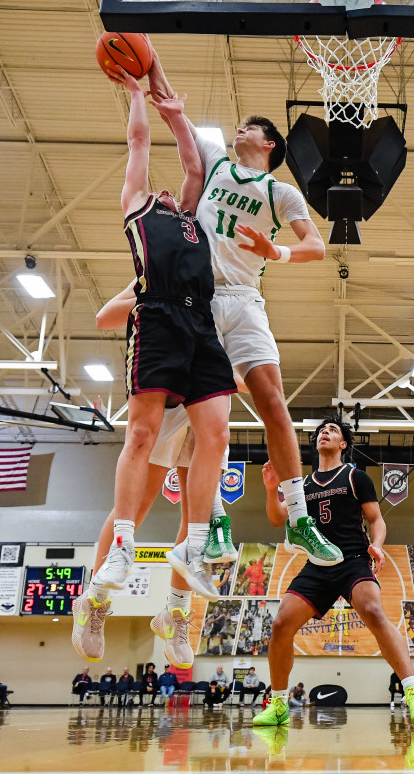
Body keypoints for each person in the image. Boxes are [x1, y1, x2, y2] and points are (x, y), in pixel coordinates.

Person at [147, 52, 342, 570]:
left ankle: (300, 520)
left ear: (269, 143)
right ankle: (214, 522)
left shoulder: (280, 192)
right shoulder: (214, 160)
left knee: (275, 403)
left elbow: (317, 247)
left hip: (246, 301)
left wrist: (274, 251)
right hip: (201, 303)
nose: (239, 129)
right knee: (208, 419)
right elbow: (172, 109)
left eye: (249, 126)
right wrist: (149, 56)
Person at [76, 73, 235, 664]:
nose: (172, 189)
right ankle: (98, 592)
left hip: (203, 337)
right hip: (161, 328)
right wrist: (139, 97)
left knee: (210, 459)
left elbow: (193, 165)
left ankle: (177, 605)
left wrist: (177, 113)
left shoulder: (197, 218)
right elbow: (139, 149)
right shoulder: (141, 213)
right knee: (138, 489)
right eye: (163, 189)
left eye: (180, 189)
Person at [252, 417, 414, 728]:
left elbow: (376, 519)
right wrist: (271, 490)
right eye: (322, 430)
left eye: (332, 430)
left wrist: (377, 544)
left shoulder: (355, 477)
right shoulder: (303, 486)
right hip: (317, 565)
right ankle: (279, 704)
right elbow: (276, 518)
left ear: (343, 444)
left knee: (374, 611)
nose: (325, 432)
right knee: (281, 624)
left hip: (352, 559)